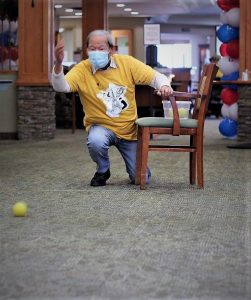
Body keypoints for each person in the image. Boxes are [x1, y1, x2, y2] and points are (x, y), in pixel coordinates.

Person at [51, 29, 173, 187]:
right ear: (87, 50)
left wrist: (164, 85)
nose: (96, 52)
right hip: (101, 127)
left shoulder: (126, 63)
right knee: (95, 140)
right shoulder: (82, 69)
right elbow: (61, 87)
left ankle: (136, 169)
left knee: (140, 178)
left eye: (101, 48)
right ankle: (103, 169)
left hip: (128, 129)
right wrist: (58, 64)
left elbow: (155, 76)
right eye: (92, 49)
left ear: (111, 49)